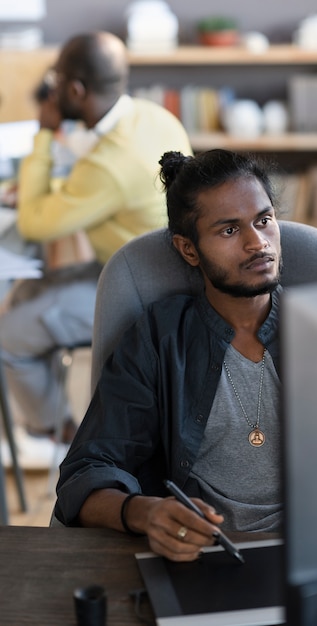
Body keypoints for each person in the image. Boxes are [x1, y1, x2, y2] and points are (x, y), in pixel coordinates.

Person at [54, 148, 282, 562]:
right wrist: (143, 512)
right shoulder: (160, 338)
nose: (257, 243)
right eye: (229, 231)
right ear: (188, 250)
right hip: (202, 557)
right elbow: (85, 473)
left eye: (263, 220)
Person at [0, 31, 192, 461]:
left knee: (7, 336)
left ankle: (63, 435)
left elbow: (35, 222)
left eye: (56, 78)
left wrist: (45, 135)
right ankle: (58, 419)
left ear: (74, 89)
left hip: (148, 291)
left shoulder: (110, 162)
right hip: (156, 267)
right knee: (30, 291)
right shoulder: (149, 115)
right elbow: (92, 183)